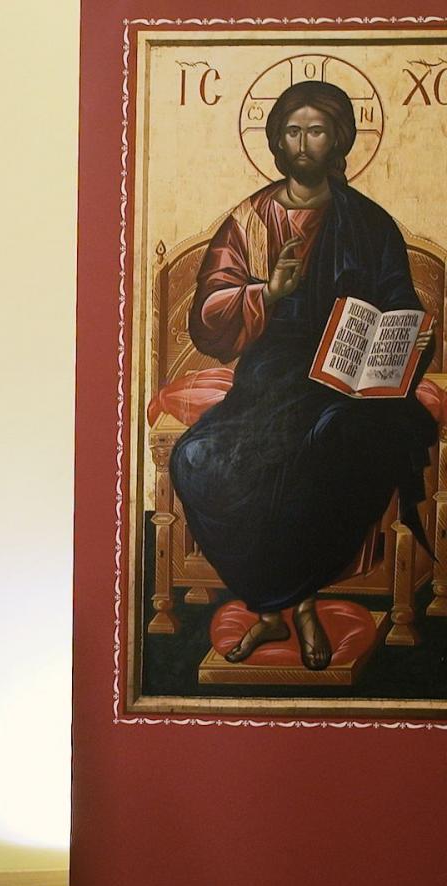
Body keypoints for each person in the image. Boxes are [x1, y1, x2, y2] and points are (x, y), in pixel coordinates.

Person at [171, 80, 436, 670]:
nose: (303, 143)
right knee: (197, 458)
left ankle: (303, 606)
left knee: (326, 447)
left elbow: (398, 297)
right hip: (269, 375)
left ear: (337, 140)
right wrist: (267, 292)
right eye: (292, 131)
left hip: (343, 376)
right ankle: (271, 610)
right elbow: (207, 316)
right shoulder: (249, 220)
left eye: (316, 131)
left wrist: (410, 335)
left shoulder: (368, 222)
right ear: (275, 141)